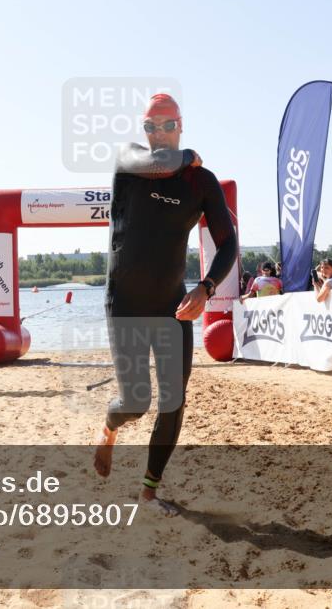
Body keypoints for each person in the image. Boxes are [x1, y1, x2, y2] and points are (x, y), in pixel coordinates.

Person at [93, 93, 237, 517]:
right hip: (125, 303)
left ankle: (149, 493)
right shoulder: (128, 161)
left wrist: (206, 288)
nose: (157, 134)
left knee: (174, 400)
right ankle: (108, 427)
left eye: (166, 125)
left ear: (180, 124)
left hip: (173, 306)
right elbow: (160, 164)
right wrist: (187, 154)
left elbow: (228, 244)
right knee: (135, 403)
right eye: (150, 127)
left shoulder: (201, 182)